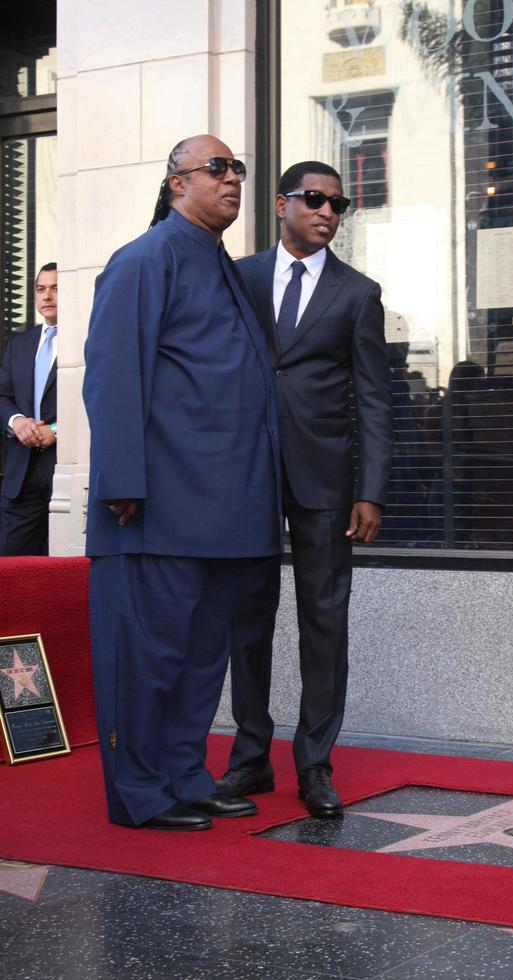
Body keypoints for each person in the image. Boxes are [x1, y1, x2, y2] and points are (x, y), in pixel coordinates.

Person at [83, 134, 282, 831]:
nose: (233, 180)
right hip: (156, 507)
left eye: (238, 170)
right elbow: (112, 375)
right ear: (176, 183)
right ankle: (141, 793)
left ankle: (184, 775)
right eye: (217, 169)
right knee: (148, 658)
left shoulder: (218, 262)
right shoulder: (145, 259)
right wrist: (120, 482)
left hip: (227, 508)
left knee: (201, 660)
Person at [215, 161, 393, 818]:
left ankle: (315, 763)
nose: (327, 212)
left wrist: (369, 490)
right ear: (282, 203)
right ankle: (250, 758)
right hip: (246, 474)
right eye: (315, 199)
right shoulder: (240, 277)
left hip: (325, 479)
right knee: (247, 620)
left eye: (338, 204)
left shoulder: (357, 292)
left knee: (325, 620)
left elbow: (375, 399)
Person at [0, 263, 58, 556]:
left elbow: (90, 405)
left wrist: (57, 430)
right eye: (41, 289)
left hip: (61, 469)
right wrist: (17, 420)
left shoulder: (86, 341)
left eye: (55, 287)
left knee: (63, 566)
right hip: (21, 471)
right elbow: (2, 396)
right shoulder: (20, 343)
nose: (47, 296)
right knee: (11, 569)